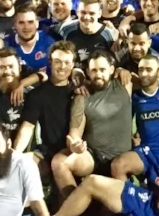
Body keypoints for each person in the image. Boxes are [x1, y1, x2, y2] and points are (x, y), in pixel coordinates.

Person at [50, 50, 133, 197]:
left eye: (102, 70)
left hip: (121, 158)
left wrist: (123, 70)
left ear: (111, 69)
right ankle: (75, 208)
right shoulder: (82, 96)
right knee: (59, 163)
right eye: (94, 70)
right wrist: (75, 146)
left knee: (114, 206)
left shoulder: (125, 84)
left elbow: (151, 80)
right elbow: (74, 134)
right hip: (93, 157)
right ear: (88, 72)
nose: (98, 74)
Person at [110, 53, 159, 189]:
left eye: (149, 70)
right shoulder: (135, 97)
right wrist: (119, 69)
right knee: (118, 165)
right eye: (141, 69)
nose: (143, 74)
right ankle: (132, 200)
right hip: (146, 152)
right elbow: (123, 120)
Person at [13, 41, 77, 186]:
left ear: (73, 65)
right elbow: (27, 127)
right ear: (50, 63)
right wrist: (15, 155)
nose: (62, 67)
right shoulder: (37, 94)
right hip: (46, 153)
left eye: (67, 62)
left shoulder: (79, 91)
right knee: (19, 164)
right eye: (58, 61)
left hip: (75, 153)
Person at [60, 0, 117, 64]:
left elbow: (114, 63)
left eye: (92, 13)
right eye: (83, 12)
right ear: (77, 12)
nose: (87, 17)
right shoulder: (65, 29)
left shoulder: (109, 35)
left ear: (99, 13)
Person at [5, 6, 57, 72]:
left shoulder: (51, 43)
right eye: (21, 23)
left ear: (37, 24)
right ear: (15, 25)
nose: (26, 27)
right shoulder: (5, 45)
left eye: (30, 22)